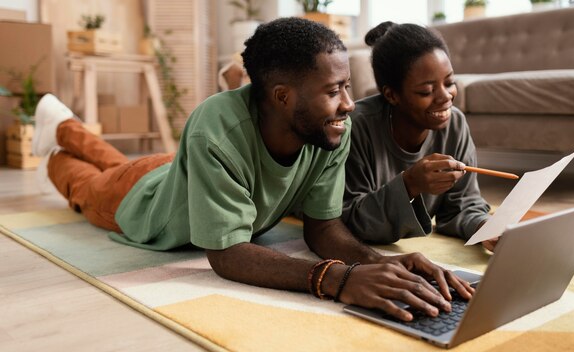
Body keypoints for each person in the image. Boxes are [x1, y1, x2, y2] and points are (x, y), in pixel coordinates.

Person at [32, 17, 473, 322]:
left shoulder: (330, 128)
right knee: (84, 183)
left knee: (117, 163)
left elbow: (322, 228)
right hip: (141, 200)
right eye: (334, 90)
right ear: (282, 97)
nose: (348, 103)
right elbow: (227, 253)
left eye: (347, 86)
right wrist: (336, 279)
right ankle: (54, 141)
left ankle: (63, 126)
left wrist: (383, 264)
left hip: (187, 170)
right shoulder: (214, 130)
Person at [341, 22, 498, 251]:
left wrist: (485, 227)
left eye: (450, 82)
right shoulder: (355, 128)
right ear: (391, 95)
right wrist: (410, 184)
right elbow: (347, 220)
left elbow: (462, 205)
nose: (445, 97)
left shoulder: (454, 123)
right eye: (426, 91)